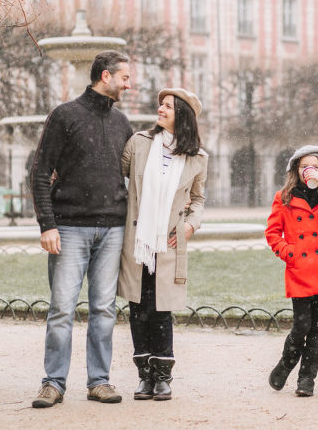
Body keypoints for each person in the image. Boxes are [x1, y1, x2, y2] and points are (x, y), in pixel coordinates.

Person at [30, 50, 133, 408]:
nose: (128, 84)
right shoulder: (65, 115)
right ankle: (53, 383)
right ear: (106, 76)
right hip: (70, 228)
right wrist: (48, 225)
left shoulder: (122, 122)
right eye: (124, 77)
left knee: (104, 309)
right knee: (62, 309)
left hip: (113, 229)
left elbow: (134, 175)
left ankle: (99, 381)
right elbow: (39, 172)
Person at [117, 88, 208, 401]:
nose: (161, 109)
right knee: (138, 307)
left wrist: (190, 224)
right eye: (161, 104)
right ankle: (144, 376)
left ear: (181, 115)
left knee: (161, 308)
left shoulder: (197, 158)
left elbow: (198, 198)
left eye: (168, 106)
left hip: (168, 242)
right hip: (138, 239)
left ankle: (163, 376)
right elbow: (118, 177)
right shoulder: (139, 143)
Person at [264, 145, 318, 397]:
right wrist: (290, 253)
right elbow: (272, 234)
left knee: (317, 328)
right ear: (296, 169)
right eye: (304, 166)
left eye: (314, 166)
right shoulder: (284, 197)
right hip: (300, 268)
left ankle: (307, 378)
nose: (309, 170)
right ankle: (286, 363)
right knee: (301, 325)